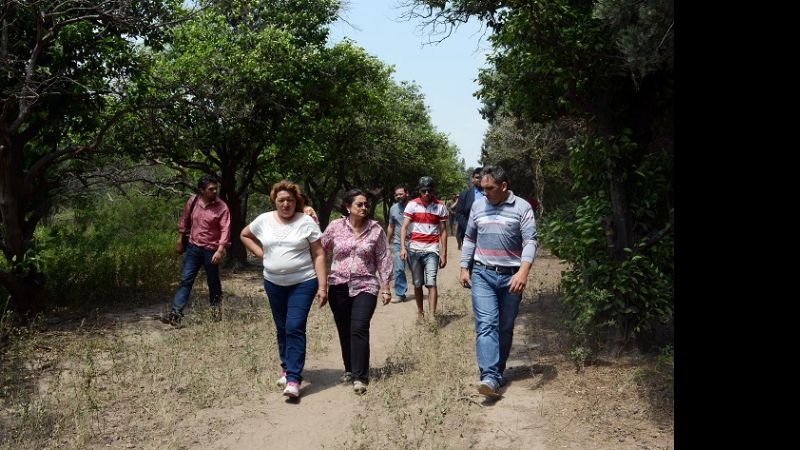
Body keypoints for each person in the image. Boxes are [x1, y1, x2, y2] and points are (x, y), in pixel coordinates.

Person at [240, 180, 328, 399]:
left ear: (296, 200)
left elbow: (319, 254)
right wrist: (261, 254)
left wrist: (323, 286)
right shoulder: (263, 220)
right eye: (281, 200)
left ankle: (293, 379)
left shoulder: (306, 221)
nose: (286, 204)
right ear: (274, 201)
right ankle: (287, 367)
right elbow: (244, 234)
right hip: (273, 283)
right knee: (281, 327)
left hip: (303, 282)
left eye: (290, 199)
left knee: (294, 326)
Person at [459, 166, 537, 398]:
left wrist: (523, 272)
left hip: (512, 276)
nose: (485, 194)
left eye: (490, 189)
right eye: (482, 189)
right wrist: (464, 267)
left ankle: (498, 370)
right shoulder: (477, 206)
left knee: (505, 326)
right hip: (482, 274)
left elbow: (530, 241)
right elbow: (470, 237)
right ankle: (489, 377)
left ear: (504, 187)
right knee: (486, 324)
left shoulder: (522, 208)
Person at [321, 189, 393, 394]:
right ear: (347, 207)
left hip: (366, 284)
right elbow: (320, 250)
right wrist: (320, 282)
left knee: (359, 327)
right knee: (344, 329)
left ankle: (361, 376)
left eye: (366, 205)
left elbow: (384, 257)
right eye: (359, 204)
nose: (364, 208)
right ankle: (350, 369)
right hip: (338, 284)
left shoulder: (376, 229)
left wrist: (386, 287)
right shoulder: (335, 227)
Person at [162, 174, 231, 326]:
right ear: (202, 190)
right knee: (185, 280)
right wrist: (180, 240)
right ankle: (175, 313)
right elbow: (184, 220)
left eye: (215, 189)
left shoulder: (222, 207)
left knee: (213, 282)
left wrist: (220, 250)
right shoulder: (193, 201)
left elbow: (225, 229)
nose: (214, 192)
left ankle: (215, 314)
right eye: (211, 189)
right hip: (193, 248)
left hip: (211, 250)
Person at [400, 176, 448, 321]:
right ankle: (420, 313)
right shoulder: (412, 205)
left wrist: (444, 253)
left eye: (429, 190)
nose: (426, 193)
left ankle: (432, 315)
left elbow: (443, 231)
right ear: (419, 191)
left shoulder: (440, 206)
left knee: (431, 282)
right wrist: (403, 247)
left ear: (433, 190)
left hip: (432, 250)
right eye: (423, 190)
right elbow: (404, 227)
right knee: (417, 283)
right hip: (414, 250)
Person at [385, 185, 411, 303]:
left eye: (400, 194)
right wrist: (386, 242)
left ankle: (419, 288)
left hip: (414, 242)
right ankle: (400, 293)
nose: (398, 196)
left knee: (415, 270)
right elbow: (391, 226)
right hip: (397, 243)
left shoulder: (414, 206)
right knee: (398, 269)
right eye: (396, 195)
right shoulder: (393, 208)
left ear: (407, 193)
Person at [455, 167, 484, 250]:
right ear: (472, 179)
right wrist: (469, 228)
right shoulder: (465, 194)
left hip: (487, 234)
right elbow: (459, 214)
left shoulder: (491, 193)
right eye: (477, 177)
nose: (479, 179)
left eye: (481, 177)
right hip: (468, 234)